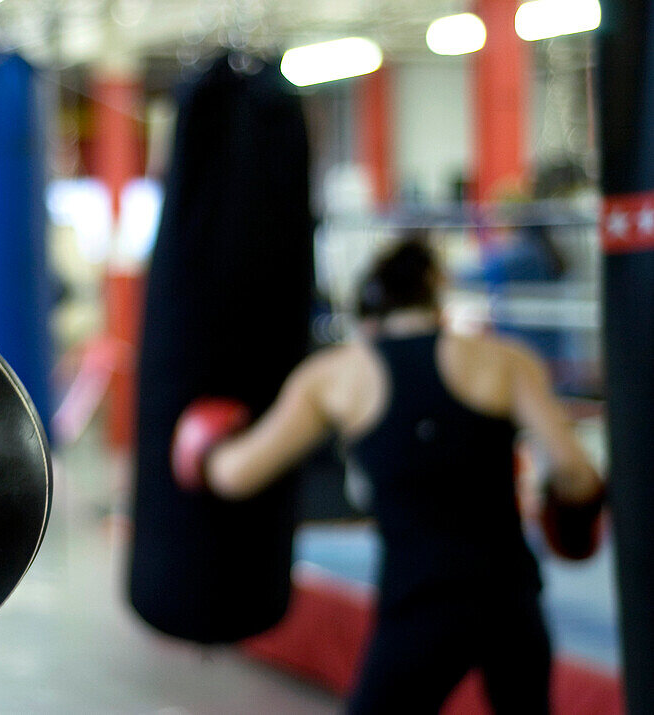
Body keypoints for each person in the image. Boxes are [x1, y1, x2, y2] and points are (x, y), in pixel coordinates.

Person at [185, 238, 604, 713]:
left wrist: (200, 443)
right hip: (510, 597)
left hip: (420, 603)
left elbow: (236, 475)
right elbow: (574, 472)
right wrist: (567, 509)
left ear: (367, 319)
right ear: (436, 303)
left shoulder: (336, 376)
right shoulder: (506, 360)